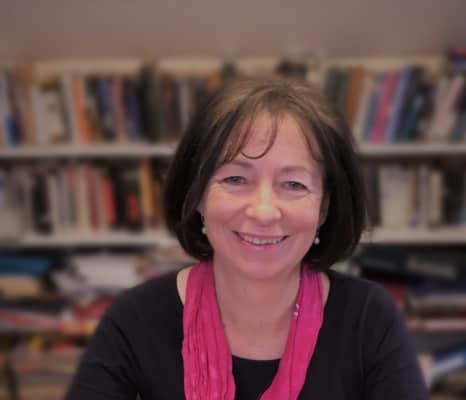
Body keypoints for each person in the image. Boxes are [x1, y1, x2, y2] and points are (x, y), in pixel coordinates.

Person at [65, 77, 429, 399]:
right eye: (235, 179)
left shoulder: (369, 319)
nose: (263, 211)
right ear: (198, 196)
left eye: (293, 184)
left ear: (324, 208)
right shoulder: (134, 320)